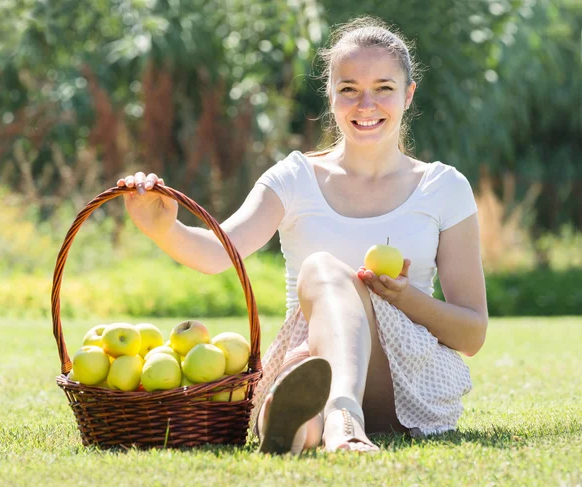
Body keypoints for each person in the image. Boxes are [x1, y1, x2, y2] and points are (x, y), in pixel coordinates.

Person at [117, 16, 488, 454]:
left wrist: (403, 297)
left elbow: (472, 333)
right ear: (330, 96)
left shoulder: (444, 188)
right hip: (311, 363)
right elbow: (218, 255)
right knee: (304, 376)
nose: (365, 104)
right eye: (348, 88)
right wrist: (162, 227)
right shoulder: (294, 178)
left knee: (323, 269)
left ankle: (340, 416)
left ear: (408, 95)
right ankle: (301, 427)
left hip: (403, 380)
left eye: (383, 88)